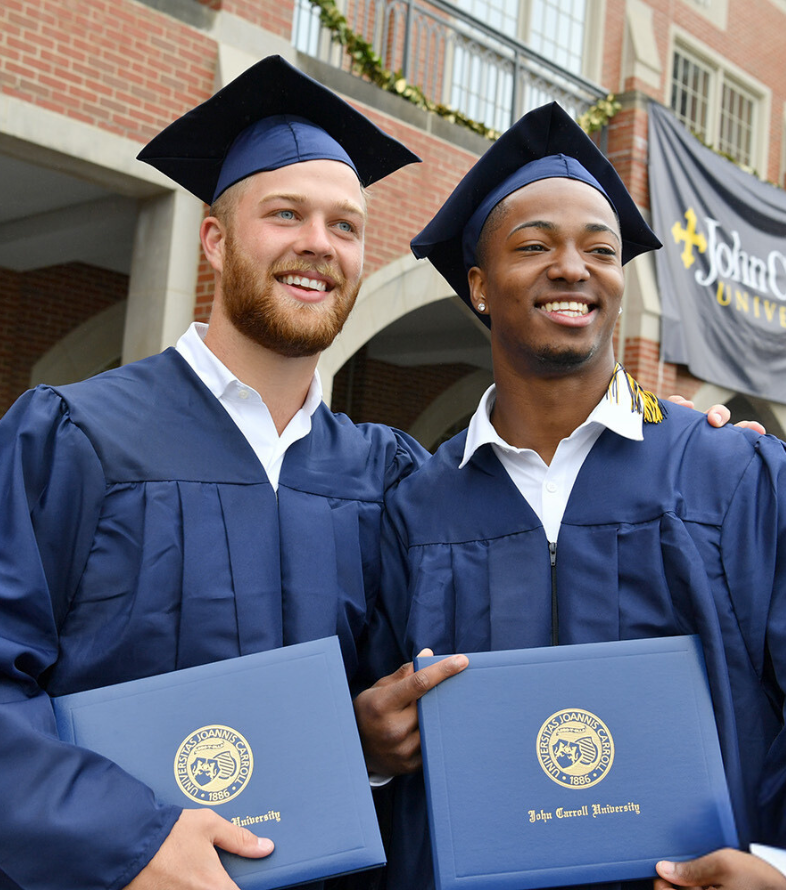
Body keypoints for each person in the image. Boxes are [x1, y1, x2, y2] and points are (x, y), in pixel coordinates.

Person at [0, 55, 477, 890]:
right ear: (215, 241)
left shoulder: (384, 474)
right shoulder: (76, 437)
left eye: (345, 226)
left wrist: (668, 439)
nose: (317, 246)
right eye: (285, 214)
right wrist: (127, 839)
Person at [358, 102, 786, 890]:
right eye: (535, 246)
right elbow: (388, 730)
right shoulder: (419, 507)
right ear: (479, 286)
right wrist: (371, 752)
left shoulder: (730, 475)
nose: (573, 267)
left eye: (601, 248)